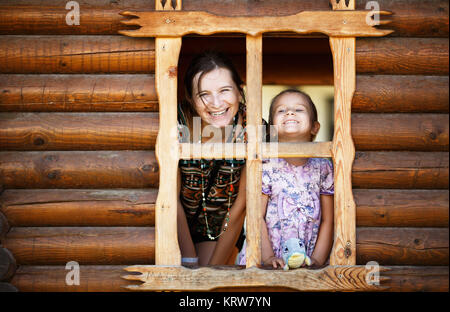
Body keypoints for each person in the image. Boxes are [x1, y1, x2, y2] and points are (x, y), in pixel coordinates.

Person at [238, 89, 334, 268]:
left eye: (299, 109)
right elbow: (256, 217)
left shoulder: (323, 167)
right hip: (268, 259)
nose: (289, 112)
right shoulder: (266, 165)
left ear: (315, 127)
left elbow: (329, 219)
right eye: (281, 110)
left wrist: (318, 260)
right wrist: (267, 258)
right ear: (271, 128)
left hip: (310, 259)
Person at [177, 51, 247, 266]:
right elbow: (169, 199)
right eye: (204, 94)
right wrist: (189, 259)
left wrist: (212, 271)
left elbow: (241, 207)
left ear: (239, 92)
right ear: (190, 98)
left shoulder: (256, 127)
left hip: (225, 231)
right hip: (175, 227)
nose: (216, 103)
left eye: (225, 90)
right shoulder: (178, 123)